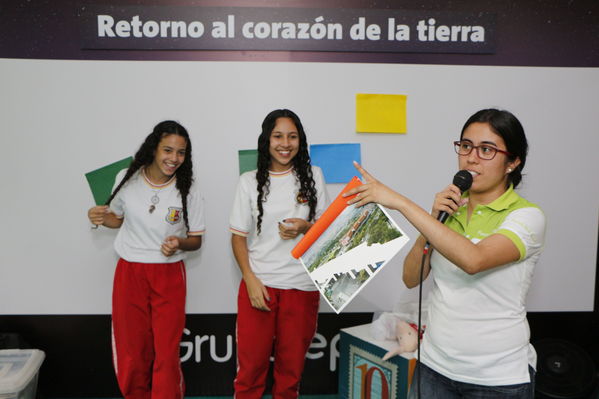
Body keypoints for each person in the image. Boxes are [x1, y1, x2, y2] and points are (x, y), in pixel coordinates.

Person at [345, 109, 545, 398]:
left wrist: (400, 202)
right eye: (466, 146)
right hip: (434, 366)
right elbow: (411, 277)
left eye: (486, 149)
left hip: (497, 378)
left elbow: (473, 261)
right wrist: (432, 217)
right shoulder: (450, 212)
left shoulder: (527, 216)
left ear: (512, 162)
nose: (471, 157)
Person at [87, 120, 205, 399]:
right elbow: (117, 219)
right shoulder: (126, 178)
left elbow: (196, 239)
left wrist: (179, 243)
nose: (173, 159)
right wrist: (102, 218)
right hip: (130, 272)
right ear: (153, 148)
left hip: (168, 274)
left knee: (166, 352)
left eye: (181, 153)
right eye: (167, 150)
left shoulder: (188, 188)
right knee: (132, 350)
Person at [229, 109, 329, 399]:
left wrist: (304, 227)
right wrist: (249, 279)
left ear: (300, 140)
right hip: (260, 287)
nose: (285, 143)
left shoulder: (314, 176)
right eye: (277, 136)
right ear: (266, 140)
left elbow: (328, 231)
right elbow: (237, 238)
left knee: (289, 376)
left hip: (302, 287)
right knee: (249, 374)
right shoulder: (249, 181)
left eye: (292, 136)